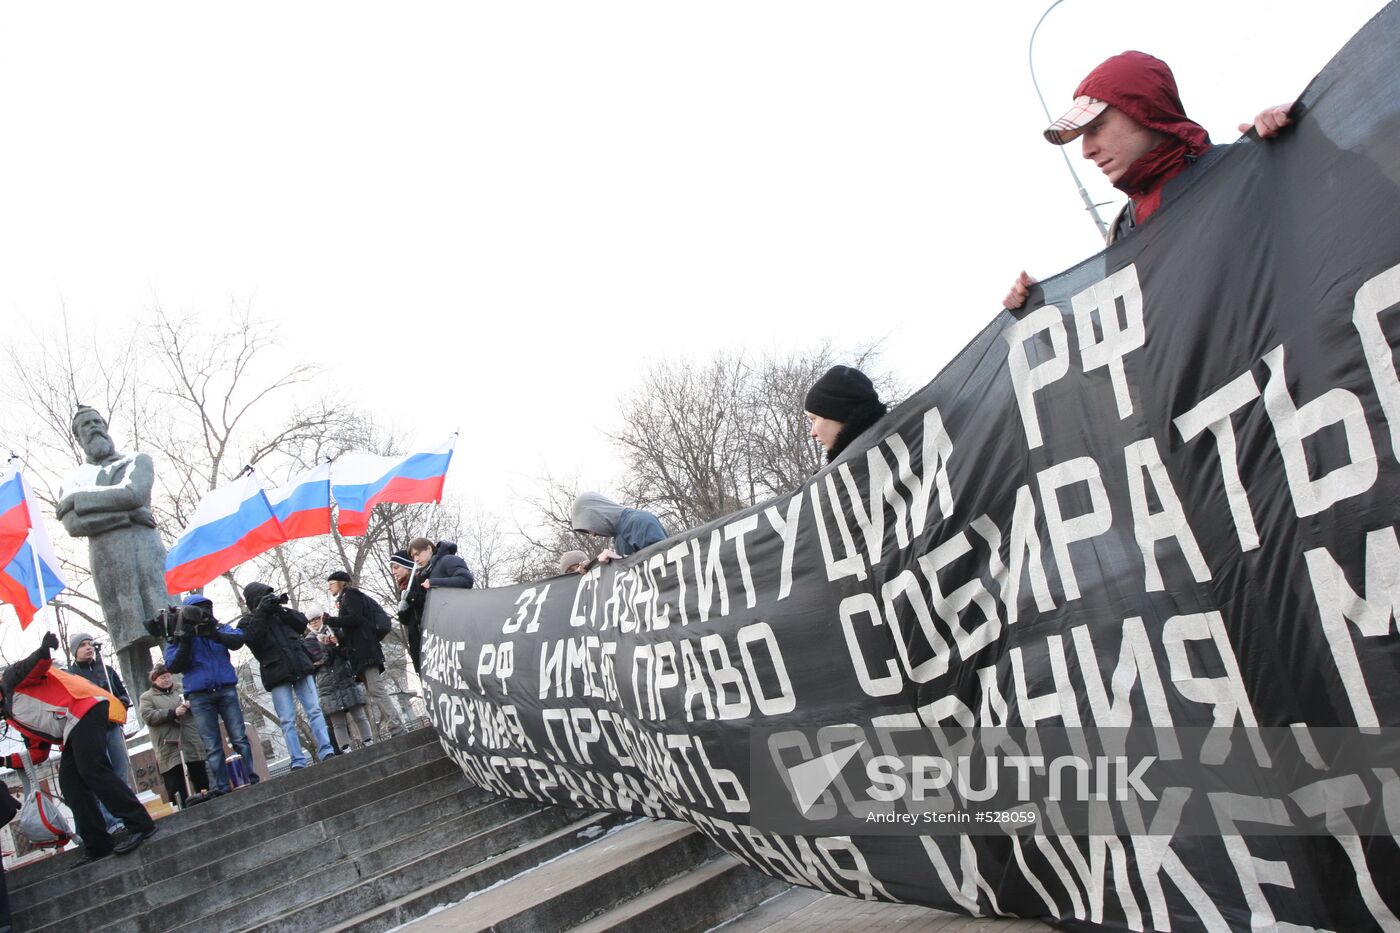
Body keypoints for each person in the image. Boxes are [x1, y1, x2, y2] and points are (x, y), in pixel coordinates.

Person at [1003, 51, 1294, 307]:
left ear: (1144, 112)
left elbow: (1327, 232)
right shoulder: (1122, 232)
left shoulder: (1243, 168)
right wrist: (1041, 317)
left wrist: (1302, 139)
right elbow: (1133, 351)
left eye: (1095, 127)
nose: (1086, 151)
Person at [0, 633, 157, 865]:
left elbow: (34, 665)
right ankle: (98, 844)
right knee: (70, 784)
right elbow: (38, 753)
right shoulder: (15, 719)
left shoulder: (10, 682)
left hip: (85, 706)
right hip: (72, 727)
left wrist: (45, 648)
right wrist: (4, 762)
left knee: (92, 769)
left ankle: (141, 823)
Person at [164, 594, 259, 793]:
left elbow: (238, 639)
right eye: (198, 610)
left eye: (206, 609)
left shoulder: (219, 628)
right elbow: (173, 665)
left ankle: (250, 777)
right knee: (211, 745)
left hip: (225, 689)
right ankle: (222, 786)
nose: (203, 614)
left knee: (239, 737)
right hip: (199, 695)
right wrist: (186, 640)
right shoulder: (179, 635)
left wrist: (212, 633)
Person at [240, 583, 336, 768]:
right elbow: (252, 638)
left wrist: (280, 609)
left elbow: (301, 624)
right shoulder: (248, 621)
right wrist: (261, 611)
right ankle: (297, 760)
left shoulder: (281, 614)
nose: (269, 599)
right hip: (276, 674)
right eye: (264, 597)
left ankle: (327, 750)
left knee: (314, 710)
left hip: (300, 665)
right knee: (287, 719)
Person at [326, 572, 406, 739]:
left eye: (332, 583)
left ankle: (397, 727)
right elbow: (351, 628)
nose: (329, 587)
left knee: (376, 689)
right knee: (373, 690)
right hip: (359, 652)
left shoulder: (351, 594)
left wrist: (332, 621)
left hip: (365, 650)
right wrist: (338, 637)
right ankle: (395, 726)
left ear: (341, 583)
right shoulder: (344, 599)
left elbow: (356, 618)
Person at [138, 664, 210, 807]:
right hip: (168, 746)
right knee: (176, 784)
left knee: (201, 778)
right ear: (154, 680)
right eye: (162, 677)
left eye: (168, 676)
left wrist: (192, 704)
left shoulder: (182, 689)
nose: (166, 680)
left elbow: (201, 703)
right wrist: (172, 713)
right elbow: (148, 716)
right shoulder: (147, 697)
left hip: (191, 740)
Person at [304, 612, 374, 752]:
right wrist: (328, 649)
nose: (315, 623)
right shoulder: (308, 641)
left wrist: (336, 643)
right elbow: (315, 661)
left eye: (317, 619)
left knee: (359, 714)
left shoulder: (334, 629)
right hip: (326, 685)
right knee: (337, 722)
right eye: (311, 621)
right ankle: (345, 748)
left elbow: (346, 651)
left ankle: (369, 740)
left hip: (345, 677)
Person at [803, 365, 888, 463]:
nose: (812, 433)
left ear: (838, 414)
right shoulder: (902, 449)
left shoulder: (856, 470)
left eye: (814, 419)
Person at [569, 495, 668, 563]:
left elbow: (665, 561)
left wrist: (621, 560)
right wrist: (592, 569)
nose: (593, 535)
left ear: (594, 515)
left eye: (589, 529)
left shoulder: (640, 521)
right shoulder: (618, 536)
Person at [389, 549, 424, 674]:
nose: (394, 572)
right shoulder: (403, 587)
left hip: (424, 636)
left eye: (396, 567)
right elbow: (406, 621)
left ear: (408, 566)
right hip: (414, 637)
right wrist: (402, 611)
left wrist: (412, 597)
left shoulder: (419, 580)